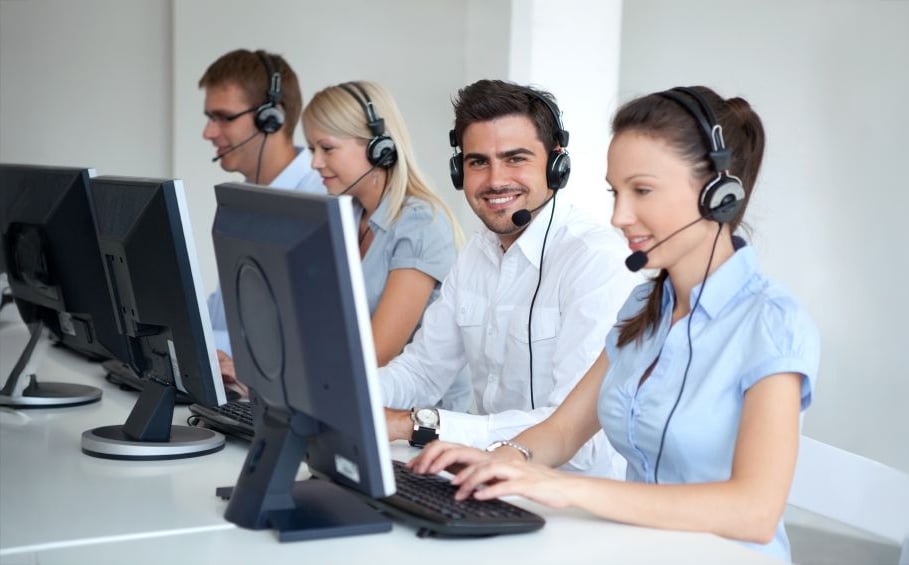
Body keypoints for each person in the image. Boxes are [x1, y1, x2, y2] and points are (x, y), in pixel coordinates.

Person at [409, 86, 821, 562]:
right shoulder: (645, 305)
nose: (619, 216)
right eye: (615, 192)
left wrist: (565, 489)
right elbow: (562, 432)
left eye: (641, 190)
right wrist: (497, 461)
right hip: (635, 549)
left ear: (717, 192)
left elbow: (753, 511)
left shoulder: (771, 324)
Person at [381, 79, 641, 478]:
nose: (494, 180)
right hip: (489, 478)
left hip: (573, 496)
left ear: (557, 166)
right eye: (478, 162)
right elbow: (423, 370)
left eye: (515, 158)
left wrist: (416, 424)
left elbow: (574, 434)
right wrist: (349, 397)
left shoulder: (596, 261)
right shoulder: (477, 254)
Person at [302, 80, 463, 370]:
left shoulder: (421, 224)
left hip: (415, 410)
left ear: (380, 148)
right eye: (312, 148)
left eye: (327, 148)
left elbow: (376, 354)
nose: (314, 162)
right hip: (349, 395)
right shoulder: (346, 215)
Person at [198, 48, 324, 359]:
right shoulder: (243, 201)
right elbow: (223, 315)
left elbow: (293, 340)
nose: (208, 133)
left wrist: (196, 345)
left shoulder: (320, 204)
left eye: (224, 118)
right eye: (209, 118)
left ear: (272, 118)